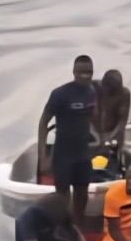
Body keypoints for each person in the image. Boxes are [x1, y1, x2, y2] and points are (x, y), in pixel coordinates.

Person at [38, 55, 99, 220]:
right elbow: (43, 123)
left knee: (82, 193)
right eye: (81, 72)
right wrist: (43, 158)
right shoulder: (60, 94)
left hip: (83, 154)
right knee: (62, 197)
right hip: (63, 154)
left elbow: (93, 115)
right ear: (73, 71)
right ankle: (62, 227)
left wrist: (101, 138)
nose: (85, 76)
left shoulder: (92, 92)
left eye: (89, 72)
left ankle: (78, 227)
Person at [93, 69, 131, 168]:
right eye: (105, 88)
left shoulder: (124, 94)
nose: (107, 92)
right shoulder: (95, 87)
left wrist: (120, 145)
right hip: (94, 131)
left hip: (111, 132)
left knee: (112, 159)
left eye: (111, 90)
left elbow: (122, 122)